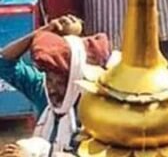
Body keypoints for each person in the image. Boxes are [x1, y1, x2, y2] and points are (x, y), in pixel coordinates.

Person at [0, 15, 110, 157]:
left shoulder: (95, 109)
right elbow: (4, 63)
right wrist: (45, 31)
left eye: (59, 83)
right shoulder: (42, 90)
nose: (52, 88)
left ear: (75, 79)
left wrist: (38, 153)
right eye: (49, 80)